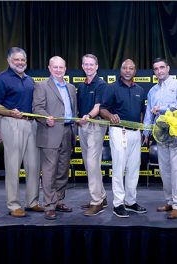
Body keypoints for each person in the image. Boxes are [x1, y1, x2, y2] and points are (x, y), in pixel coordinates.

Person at [0, 47, 43, 217]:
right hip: (11, 123)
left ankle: (32, 201)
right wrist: (9, 112)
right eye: (16, 59)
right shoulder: (0, 80)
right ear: (9, 60)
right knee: (13, 165)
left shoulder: (29, 80)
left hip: (31, 124)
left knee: (33, 165)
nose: (20, 63)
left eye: (22, 60)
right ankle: (13, 205)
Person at [100, 59, 147, 218]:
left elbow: (141, 112)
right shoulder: (112, 87)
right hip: (119, 132)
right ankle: (118, 204)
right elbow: (102, 109)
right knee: (119, 168)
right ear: (121, 70)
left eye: (131, 68)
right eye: (125, 68)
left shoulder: (140, 89)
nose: (128, 70)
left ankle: (130, 201)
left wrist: (141, 132)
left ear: (135, 71)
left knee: (133, 169)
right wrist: (110, 115)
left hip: (135, 133)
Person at [143, 58, 177, 219]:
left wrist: (161, 109)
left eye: (162, 67)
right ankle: (169, 201)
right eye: (156, 69)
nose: (159, 71)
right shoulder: (152, 91)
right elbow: (149, 112)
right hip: (160, 134)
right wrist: (146, 132)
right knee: (165, 171)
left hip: (175, 132)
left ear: (168, 68)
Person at [32, 56, 76, 220]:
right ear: (49, 68)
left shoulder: (71, 87)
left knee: (62, 171)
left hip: (67, 132)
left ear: (65, 68)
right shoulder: (41, 85)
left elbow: (73, 111)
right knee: (49, 172)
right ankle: (49, 206)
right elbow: (37, 108)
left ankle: (58, 201)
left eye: (61, 67)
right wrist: (45, 118)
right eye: (55, 67)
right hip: (50, 133)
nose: (58, 70)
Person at [76, 54, 109, 216]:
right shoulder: (82, 85)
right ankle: (101, 196)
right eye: (86, 64)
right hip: (83, 126)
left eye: (92, 64)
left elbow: (97, 107)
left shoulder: (101, 84)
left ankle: (96, 202)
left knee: (92, 163)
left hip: (95, 126)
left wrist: (88, 116)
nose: (89, 67)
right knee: (89, 164)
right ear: (82, 66)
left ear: (96, 66)